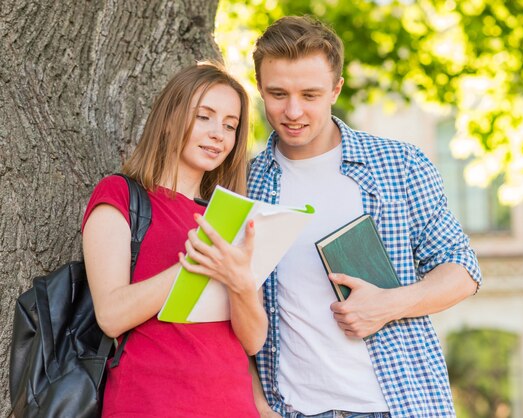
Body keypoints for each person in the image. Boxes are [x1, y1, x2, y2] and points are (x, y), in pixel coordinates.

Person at [247, 16, 482, 418]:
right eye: (277, 93)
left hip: (400, 406)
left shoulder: (399, 164)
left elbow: (462, 271)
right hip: (294, 411)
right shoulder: (244, 183)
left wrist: (389, 304)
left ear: (336, 89)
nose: (293, 110)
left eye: (310, 94)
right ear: (259, 88)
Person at [82, 62, 267, 417]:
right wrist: (194, 264)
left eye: (230, 126)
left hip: (234, 406)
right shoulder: (120, 194)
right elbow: (111, 315)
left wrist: (242, 284)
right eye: (204, 117)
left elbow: (253, 340)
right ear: (169, 118)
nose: (219, 134)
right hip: (151, 402)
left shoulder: (233, 217)